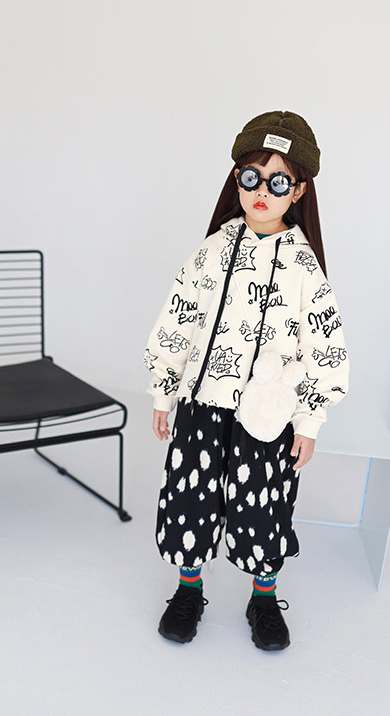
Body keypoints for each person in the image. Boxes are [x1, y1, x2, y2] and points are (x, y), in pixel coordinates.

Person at [144, 111, 349, 651]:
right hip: (202, 404)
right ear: (236, 179)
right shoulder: (211, 252)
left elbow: (324, 347)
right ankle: (189, 590)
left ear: (297, 191)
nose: (262, 192)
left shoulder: (304, 268)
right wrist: (165, 390)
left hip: (268, 414)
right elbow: (178, 320)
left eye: (278, 182)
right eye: (252, 177)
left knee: (264, 506)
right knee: (190, 500)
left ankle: (264, 597)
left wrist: (309, 420)